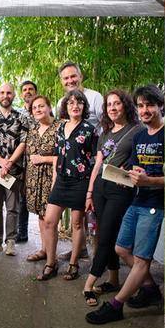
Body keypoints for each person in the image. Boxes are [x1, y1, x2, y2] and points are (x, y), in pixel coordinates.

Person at [86, 85, 165, 324]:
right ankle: (150, 289)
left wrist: (148, 179)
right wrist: (128, 173)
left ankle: (116, 305)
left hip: (155, 203)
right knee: (121, 250)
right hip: (137, 198)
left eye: (150, 105)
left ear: (161, 106)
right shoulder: (141, 136)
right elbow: (133, 166)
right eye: (141, 105)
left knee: (141, 259)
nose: (145, 110)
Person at [81, 90, 139, 307]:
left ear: (125, 105)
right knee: (110, 236)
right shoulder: (105, 132)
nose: (113, 108)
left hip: (120, 189)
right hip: (100, 189)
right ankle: (114, 280)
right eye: (109, 105)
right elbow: (97, 164)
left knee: (104, 238)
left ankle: (88, 284)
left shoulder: (137, 131)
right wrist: (89, 192)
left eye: (117, 104)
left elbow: (139, 161)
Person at [35, 89, 99, 282]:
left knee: (77, 224)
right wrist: (55, 181)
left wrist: (91, 189)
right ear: (66, 107)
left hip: (81, 181)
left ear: (84, 106)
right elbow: (57, 156)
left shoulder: (90, 129)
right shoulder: (60, 127)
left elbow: (96, 159)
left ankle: (73, 264)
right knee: (49, 221)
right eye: (71, 102)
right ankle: (51, 263)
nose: (75, 106)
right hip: (62, 180)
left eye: (79, 102)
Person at [0, 82, 29, 256]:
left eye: (9, 93)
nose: (5, 96)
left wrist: (9, 162)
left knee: (12, 207)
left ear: (14, 95)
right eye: (2, 92)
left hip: (14, 170)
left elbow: (23, 142)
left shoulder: (21, 117)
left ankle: (11, 241)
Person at [23, 95, 58, 263]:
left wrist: (44, 159)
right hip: (33, 179)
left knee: (50, 217)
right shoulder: (33, 128)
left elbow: (65, 156)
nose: (37, 109)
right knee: (40, 215)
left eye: (41, 106)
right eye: (34, 108)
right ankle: (44, 249)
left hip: (51, 177)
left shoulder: (60, 127)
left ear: (49, 107)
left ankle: (51, 254)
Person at [15, 79, 38, 243]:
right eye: (25, 90)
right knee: (21, 197)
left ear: (35, 92)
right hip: (21, 161)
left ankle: (46, 239)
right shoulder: (17, 113)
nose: (28, 92)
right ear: (21, 94)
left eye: (31, 89)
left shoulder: (42, 111)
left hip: (39, 160)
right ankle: (21, 232)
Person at [56, 62, 104, 127]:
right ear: (61, 81)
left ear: (81, 77)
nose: (70, 81)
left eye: (73, 76)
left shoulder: (95, 97)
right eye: (66, 78)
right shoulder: (61, 102)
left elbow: (107, 123)